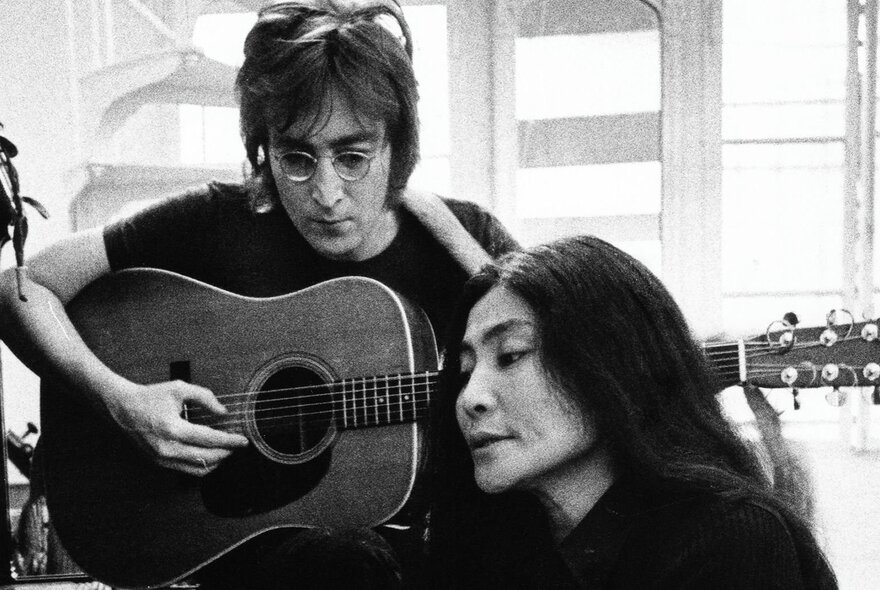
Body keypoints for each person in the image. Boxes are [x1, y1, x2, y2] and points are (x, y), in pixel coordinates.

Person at [0, 1, 518, 588]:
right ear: (264, 148)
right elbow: (21, 288)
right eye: (296, 158)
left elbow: (564, 355)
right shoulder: (220, 220)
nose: (326, 193)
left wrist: (454, 235)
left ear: (398, 148)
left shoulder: (463, 240)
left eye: (353, 157)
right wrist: (120, 401)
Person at [426, 235, 837, 589]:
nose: (469, 398)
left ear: (612, 362)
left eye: (511, 355)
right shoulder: (495, 545)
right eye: (464, 372)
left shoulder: (732, 539)